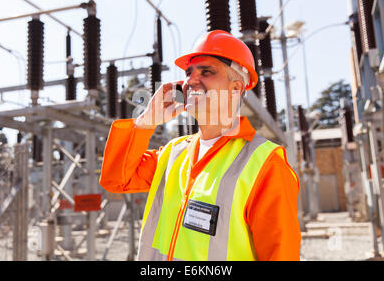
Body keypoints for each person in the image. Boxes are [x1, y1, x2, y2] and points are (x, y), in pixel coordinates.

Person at [99, 30, 301, 261]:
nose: (191, 80)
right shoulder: (173, 153)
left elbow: (281, 254)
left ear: (236, 88)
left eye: (207, 71)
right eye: (188, 73)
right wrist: (145, 122)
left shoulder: (265, 163)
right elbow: (116, 180)